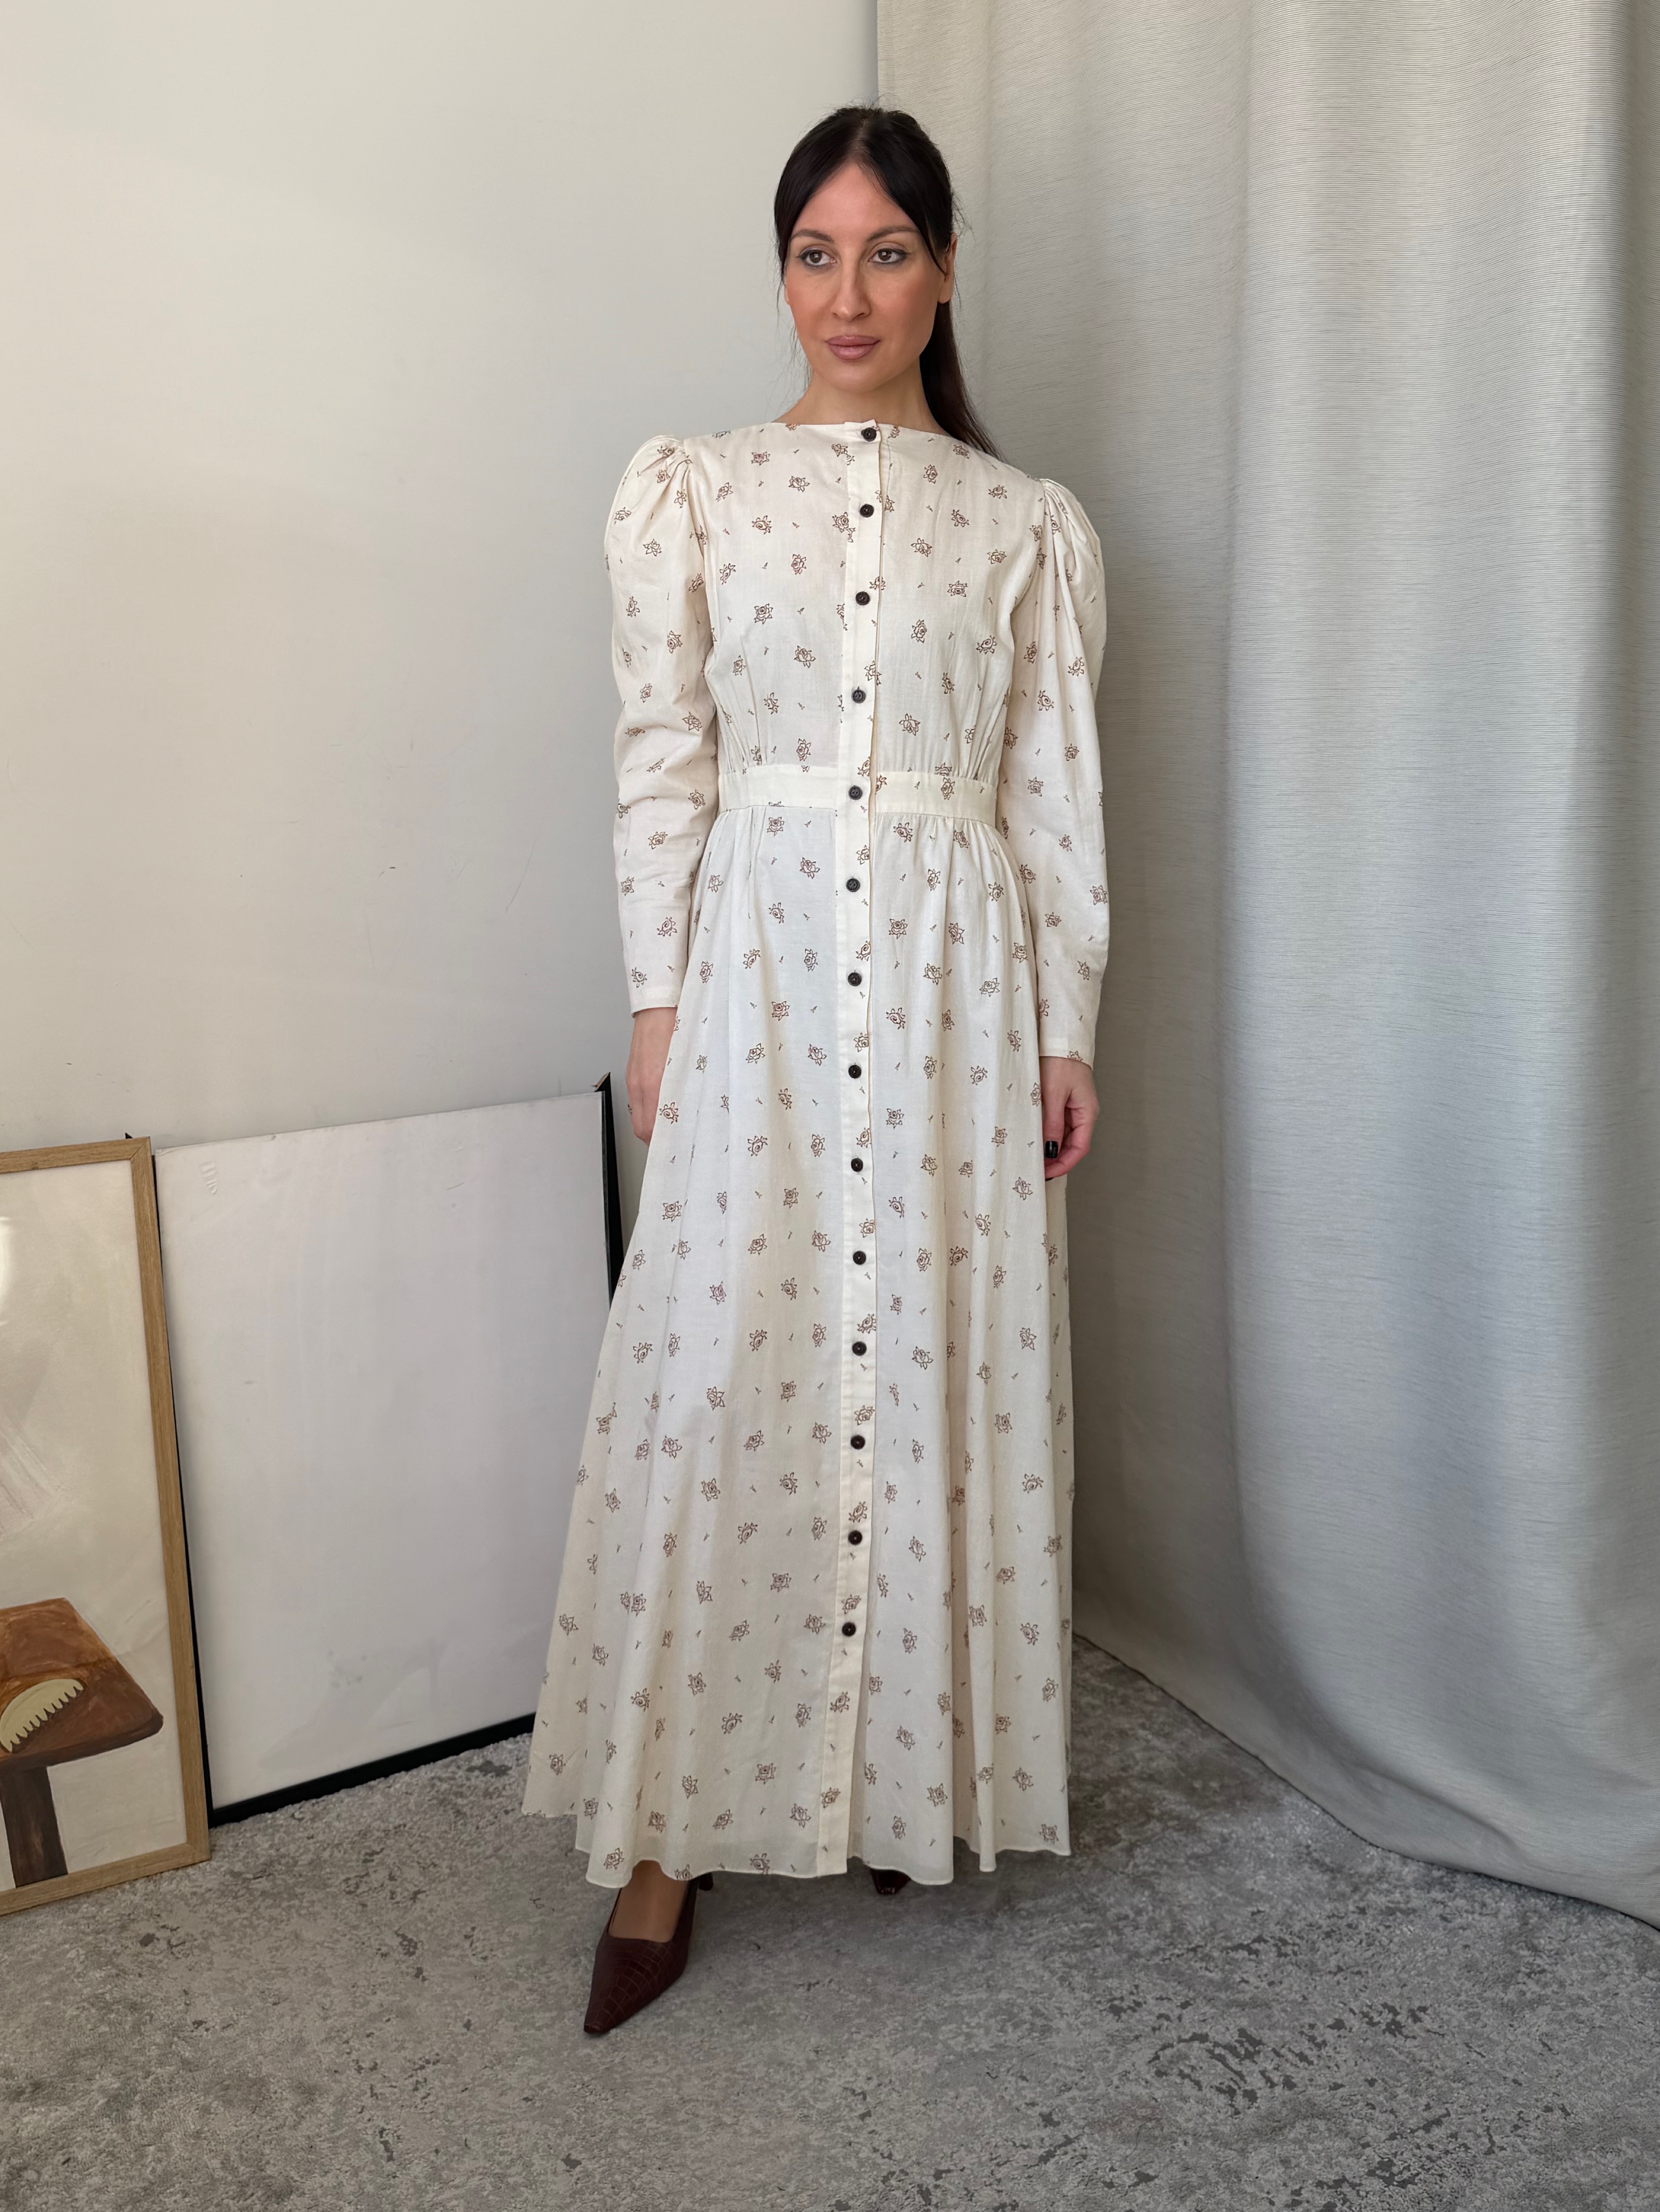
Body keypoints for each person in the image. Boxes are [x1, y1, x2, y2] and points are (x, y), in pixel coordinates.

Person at [522, 102, 1109, 2034]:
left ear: (942, 272)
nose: (847, 294)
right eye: (813, 252)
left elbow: (1049, 793)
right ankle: (666, 1836)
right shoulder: (693, 491)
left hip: (956, 993)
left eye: (886, 251)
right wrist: (659, 998)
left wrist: (1066, 1023)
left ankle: (895, 1777)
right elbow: (664, 758)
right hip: (755, 979)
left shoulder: (1025, 525)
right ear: (781, 270)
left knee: (930, 1366)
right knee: (721, 1375)